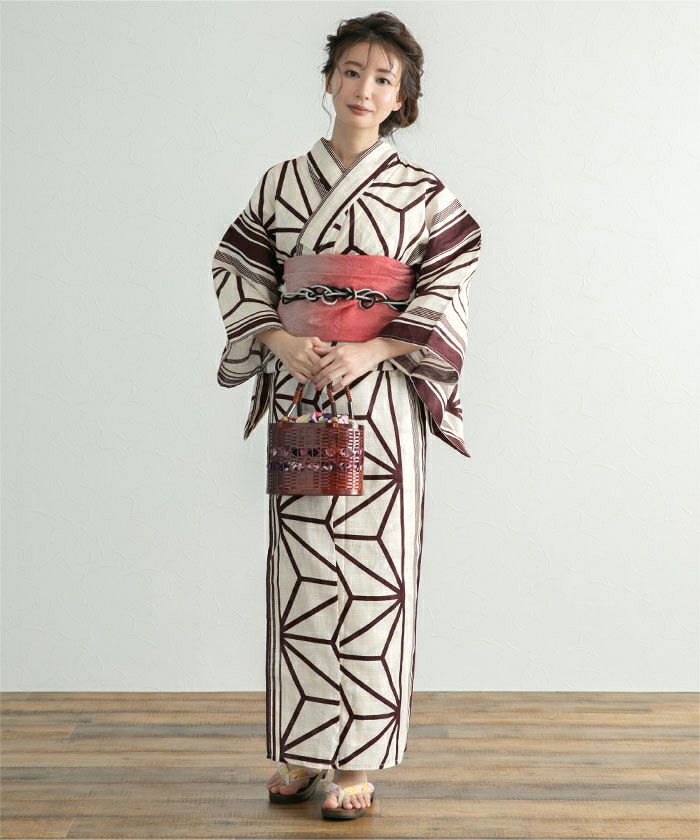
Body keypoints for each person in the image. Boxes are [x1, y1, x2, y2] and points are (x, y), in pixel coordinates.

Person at [211, 11, 481, 822]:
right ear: (330, 79)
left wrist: (376, 348)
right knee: (301, 565)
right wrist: (276, 339)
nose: (365, 88)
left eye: (384, 79)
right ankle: (303, 746)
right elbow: (238, 266)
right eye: (353, 71)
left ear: (402, 100)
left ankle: (357, 757)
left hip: (381, 399)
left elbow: (449, 281)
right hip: (303, 391)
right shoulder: (280, 183)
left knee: (373, 571)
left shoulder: (422, 193)